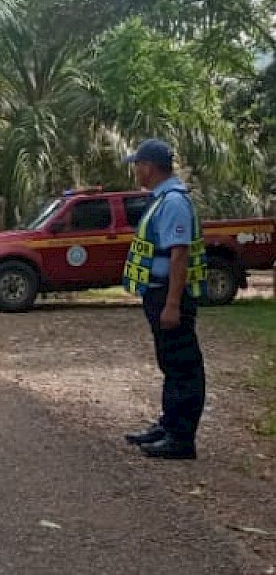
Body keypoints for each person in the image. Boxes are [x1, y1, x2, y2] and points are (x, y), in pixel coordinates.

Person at [122, 139, 207, 459]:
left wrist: (172, 304)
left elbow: (179, 255)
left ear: (148, 166)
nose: (135, 171)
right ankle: (169, 424)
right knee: (170, 362)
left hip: (169, 295)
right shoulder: (162, 199)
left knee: (182, 364)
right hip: (158, 291)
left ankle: (181, 438)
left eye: (137, 165)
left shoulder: (172, 202)